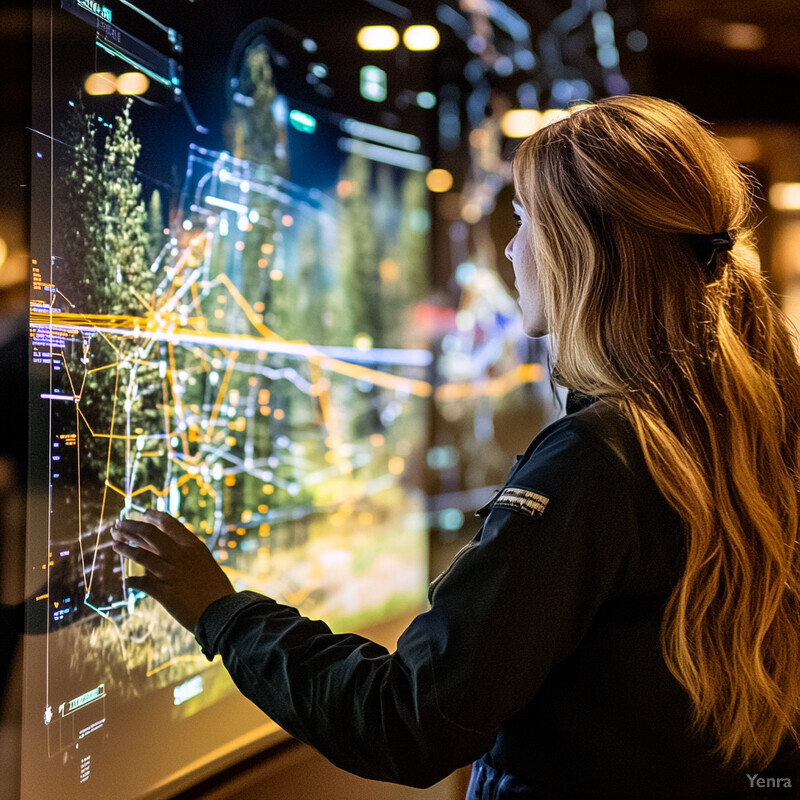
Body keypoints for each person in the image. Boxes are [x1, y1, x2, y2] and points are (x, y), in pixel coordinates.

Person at [111, 95, 800, 799]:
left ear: (578, 250)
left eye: (526, 222)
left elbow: (408, 719)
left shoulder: (598, 463)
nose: (510, 247)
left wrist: (219, 611)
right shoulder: (758, 425)